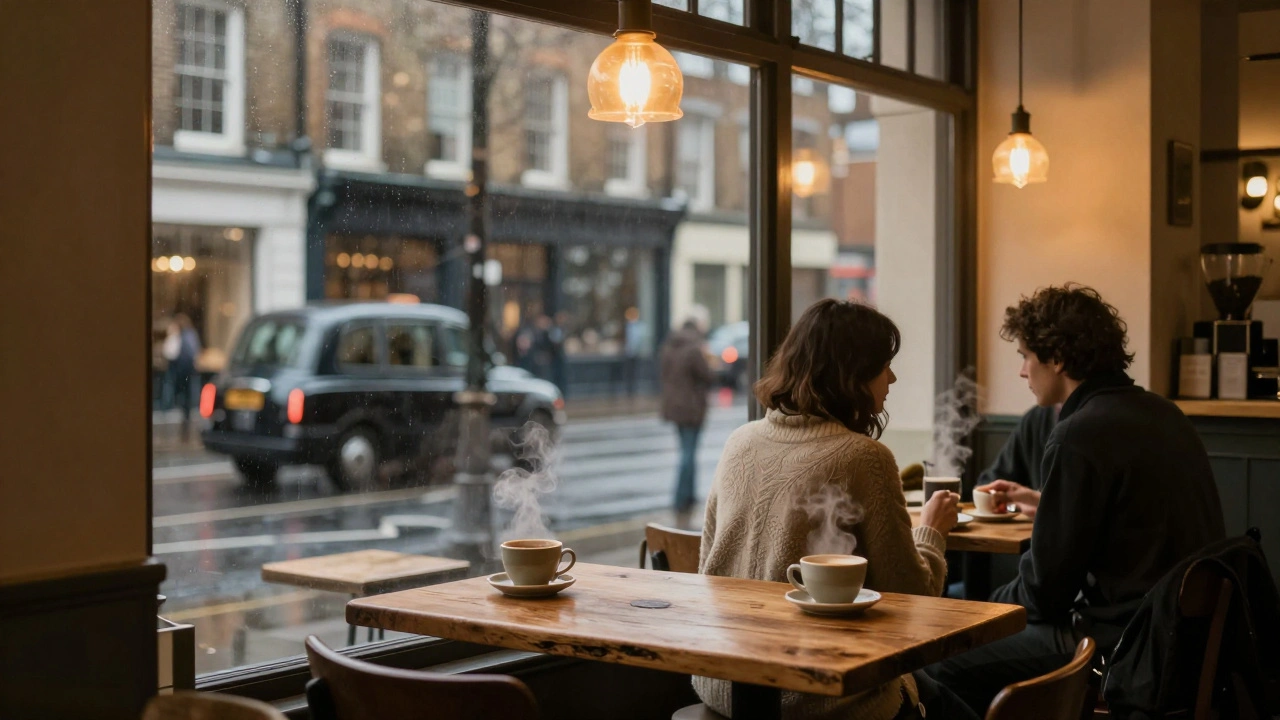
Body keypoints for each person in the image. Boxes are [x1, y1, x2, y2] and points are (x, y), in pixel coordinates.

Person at [928, 285, 1226, 715]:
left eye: (1025, 356)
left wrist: (978, 612)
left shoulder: (1080, 433)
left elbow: (1045, 591)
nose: (1022, 371)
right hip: (1176, 638)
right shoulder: (1165, 413)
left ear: (1058, 359)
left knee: (939, 659)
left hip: (1122, 645)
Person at [696, 299, 971, 720]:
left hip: (719, 681)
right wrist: (932, 531)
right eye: (883, 366)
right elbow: (914, 601)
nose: (892, 377)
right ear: (852, 375)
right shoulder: (863, 457)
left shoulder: (740, 442)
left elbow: (707, 570)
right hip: (817, 690)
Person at [659, 317, 714, 525]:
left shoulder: (668, 347)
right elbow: (708, 376)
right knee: (689, 454)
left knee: (685, 450)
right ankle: (682, 498)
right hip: (691, 407)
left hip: (673, 407)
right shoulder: (693, 350)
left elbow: (664, 376)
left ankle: (687, 496)